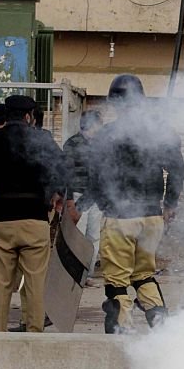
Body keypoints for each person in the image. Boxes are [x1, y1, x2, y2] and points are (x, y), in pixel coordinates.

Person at [88, 74, 184, 334]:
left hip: (119, 218)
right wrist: (170, 204)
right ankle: (161, 326)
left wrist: (104, 202)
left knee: (117, 282)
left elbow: (94, 175)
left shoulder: (106, 136)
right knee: (144, 275)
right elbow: (178, 170)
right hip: (152, 217)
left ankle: (121, 334)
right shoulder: (159, 132)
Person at [0, 95, 65, 333]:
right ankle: (34, 331)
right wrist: (55, 194)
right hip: (34, 217)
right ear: (29, 116)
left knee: (1, 282)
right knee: (36, 282)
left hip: (1, 216)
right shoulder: (42, 139)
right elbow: (62, 169)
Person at [63, 109, 104, 284]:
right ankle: (75, 275)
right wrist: (71, 200)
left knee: (94, 237)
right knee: (78, 236)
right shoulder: (72, 144)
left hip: (95, 197)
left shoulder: (99, 145)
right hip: (79, 196)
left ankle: (87, 274)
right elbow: (66, 174)